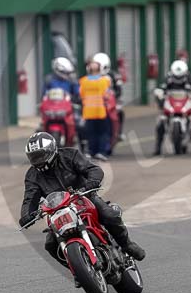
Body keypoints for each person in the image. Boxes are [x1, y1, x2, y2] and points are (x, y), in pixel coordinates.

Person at [19, 132, 145, 275]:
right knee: (50, 245)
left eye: (40, 155)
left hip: (84, 197)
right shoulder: (32, 175)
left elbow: (92, 169)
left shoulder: (69, 155)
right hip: (57, 211)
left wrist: (92, 182)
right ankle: (78, 271)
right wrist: (26, 215)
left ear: (51, 150)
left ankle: (127, 245)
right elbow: (30, 198)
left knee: (109, 215)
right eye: (33, 157)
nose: (37, 160)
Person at [154, 59, 191, 155]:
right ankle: (157, 148)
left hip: (185, 102)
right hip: (172, 103)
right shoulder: (168, 77)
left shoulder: (188, 77)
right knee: (161, 123)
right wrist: (160, 92)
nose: (178, 77)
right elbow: (162, 87)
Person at [41, 57, 80, 147]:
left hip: (67, 107)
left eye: (67, 72)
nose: (66, 74)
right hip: (52, 108)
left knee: (79, 123)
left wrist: (76, 99)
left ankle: (81, 144)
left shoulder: (71, 80)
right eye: (64, 72)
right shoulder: (49, 80)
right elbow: (44, 94)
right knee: (41, 126)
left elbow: (77, 93)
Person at [79, 59, 112, 161]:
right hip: (100, 111)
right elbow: (107, 95)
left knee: (91, 133)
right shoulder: (104, 81)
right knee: (102, 133)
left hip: (89, 112)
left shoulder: (83, 81)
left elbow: (81, 95)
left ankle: (92, 152)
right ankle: (101, 152)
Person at [92, 52, 125, 145]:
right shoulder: (90, 76)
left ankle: (119, 132)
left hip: (110, 102)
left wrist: (114, 96)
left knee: (120, 112)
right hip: (94, 103)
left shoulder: (114, 76)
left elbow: (119, 90)